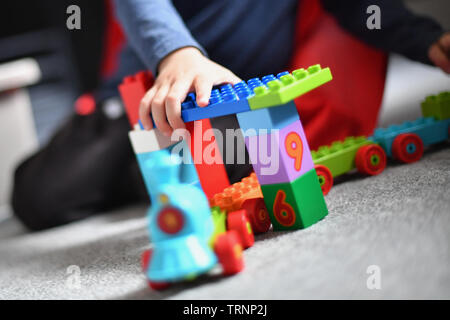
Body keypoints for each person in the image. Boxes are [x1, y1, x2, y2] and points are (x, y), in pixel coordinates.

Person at [12, 0, 449, 230]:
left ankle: (141, 174)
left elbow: (362, 6)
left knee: (246, 171)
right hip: (142, 94)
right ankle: (137, 167)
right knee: (41, 197)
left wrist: (425, 40)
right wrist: (176, 54)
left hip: (231, 100)